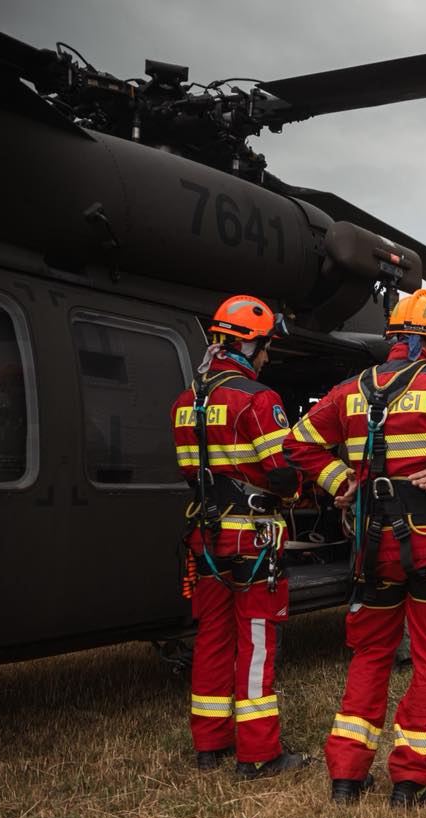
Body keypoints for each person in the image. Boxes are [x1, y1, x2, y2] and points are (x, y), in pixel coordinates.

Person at [285, 289, 426, 805]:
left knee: (370, 653)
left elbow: (297, 441)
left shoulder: (349, 390)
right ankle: (411, 780)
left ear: (393, 338)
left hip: (371, 545)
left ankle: (346, 776)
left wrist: (340, 479)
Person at [170, 294, 305, 780]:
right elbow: (282, 474)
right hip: (252, 539)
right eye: (266, 347)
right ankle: (258, 753)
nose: (268, 357)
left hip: (204, 536)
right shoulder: (257, 398)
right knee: (256, 642)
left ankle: (209, 745)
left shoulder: (186, 401)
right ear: (250, 344)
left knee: (211, 638)